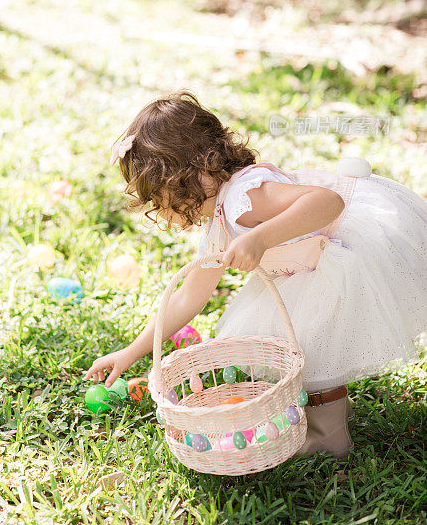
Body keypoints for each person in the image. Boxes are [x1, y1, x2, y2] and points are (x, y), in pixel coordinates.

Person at [85, 90, 427, 459]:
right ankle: (329, 421)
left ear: (189, 175)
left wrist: (261, 238)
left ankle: (329, 437)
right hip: (309, 267)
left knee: (308, 348)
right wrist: (130, 352)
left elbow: (327, 202)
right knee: (302, 347)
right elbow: (187, 297)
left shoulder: (243, 196)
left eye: (159, 196)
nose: (159, 210)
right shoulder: (219, 221)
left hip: (344, 259)